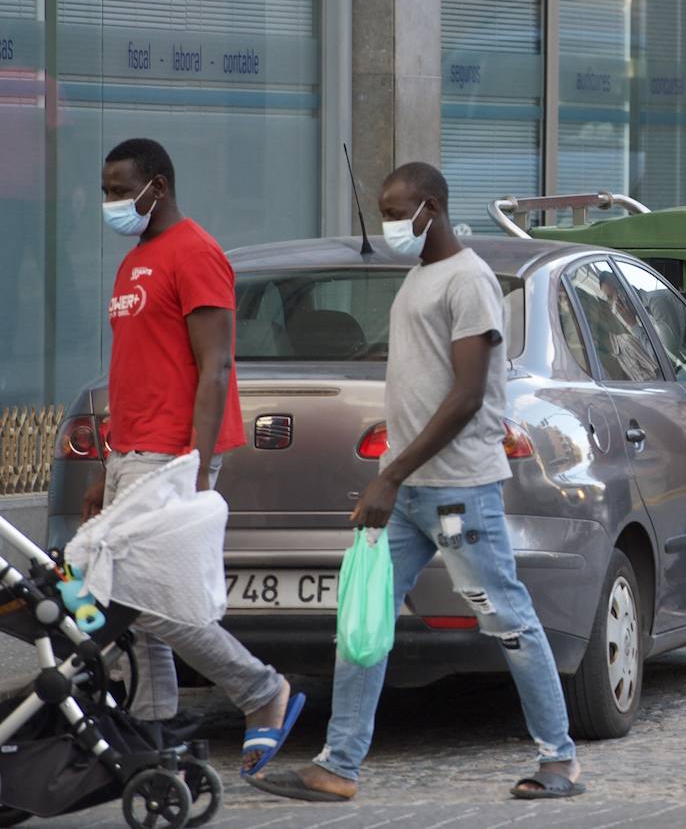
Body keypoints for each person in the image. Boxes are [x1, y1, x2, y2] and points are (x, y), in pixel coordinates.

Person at [247, 162, 584, 802]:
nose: (390, 223)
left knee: (509, 622)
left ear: (432, 206)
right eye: (384, 211)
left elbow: (465, 396)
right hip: (405, 495)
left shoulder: (470, 281)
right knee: (363, 617)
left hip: (458, 494)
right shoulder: (421, 277)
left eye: (398, 210)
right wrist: (393, 480)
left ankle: (559, 760)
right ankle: (339, 765)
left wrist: (390, 475)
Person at [84, 138, 304, 776]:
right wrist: (105, 468)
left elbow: (217, 365)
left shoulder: (197, 253)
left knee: (149, 601)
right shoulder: (135, 262)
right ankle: (155, 736)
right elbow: (132, 369)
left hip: (173, 455)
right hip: (130, 451)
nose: (111, 202)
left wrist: (199, 466)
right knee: (140, 609)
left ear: (158, 185)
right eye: (105, 191)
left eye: (120, 190)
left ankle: (263, 691)